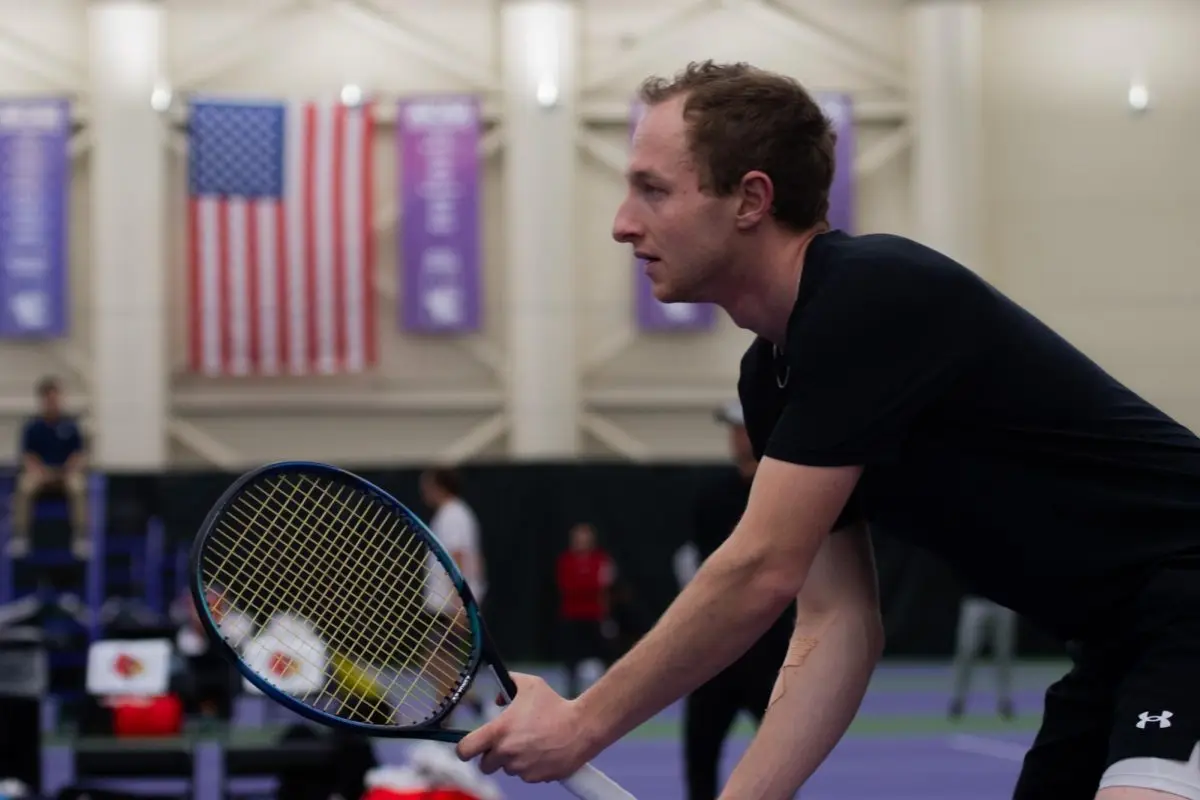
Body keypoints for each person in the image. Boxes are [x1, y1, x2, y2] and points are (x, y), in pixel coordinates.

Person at [455, 61, 1200, 800]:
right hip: (1120, 644)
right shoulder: (769, 377)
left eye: (652, 189)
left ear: (750, 198)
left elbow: (759, 569)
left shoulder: (868, 296)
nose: (623, 223)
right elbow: (836, 621)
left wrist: (584, 723)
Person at [680, 400, 793, 799]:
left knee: (781, 764)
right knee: (699, 756)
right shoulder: (711, 498)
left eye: (741, 428)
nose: (735, 438)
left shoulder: (791, 494)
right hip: (715, 656)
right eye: (731, 429)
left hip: (771, 655)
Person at [419, 467, 488, 724]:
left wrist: (461, 604)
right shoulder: (454, 514)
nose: (423, 490)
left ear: (439, 486)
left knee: (434, 663)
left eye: (427, 485)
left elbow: (458, 558)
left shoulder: (453, 515)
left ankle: (453, 716)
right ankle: (458, 713)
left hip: (451, 607)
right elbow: (476, 558)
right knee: (441, 664)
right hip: (448, 605)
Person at [10, 376, 89, 559]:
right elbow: (27, 456)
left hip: (65, 474)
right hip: (41, 474)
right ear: (42, 400)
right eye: (48, 399)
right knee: (24, 486)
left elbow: (78, 455)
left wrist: (67, 471)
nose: (52, 402)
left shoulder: (71, 426)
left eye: (55, 398)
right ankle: (20, 536)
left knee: (78, 486)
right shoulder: (33, 427)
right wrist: (41, 472)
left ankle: (81, 536)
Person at [554, 522, 615, 699]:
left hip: (594, 616)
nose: (582, 541)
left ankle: (609, 689)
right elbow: (567, 586)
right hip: (572, 616)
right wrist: (588, 584)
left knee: (605, 655)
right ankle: (571, 692)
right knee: (571, 658)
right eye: (578, 538)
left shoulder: (601, 560)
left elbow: (602, 587)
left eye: (585, 538)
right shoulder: (565, 561)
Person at [948, 593, 1018, 721]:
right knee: (967, 650)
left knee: (1004, 653)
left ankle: (1005, 700)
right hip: (975, 600)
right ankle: (958, 699)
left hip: (1004, 602)